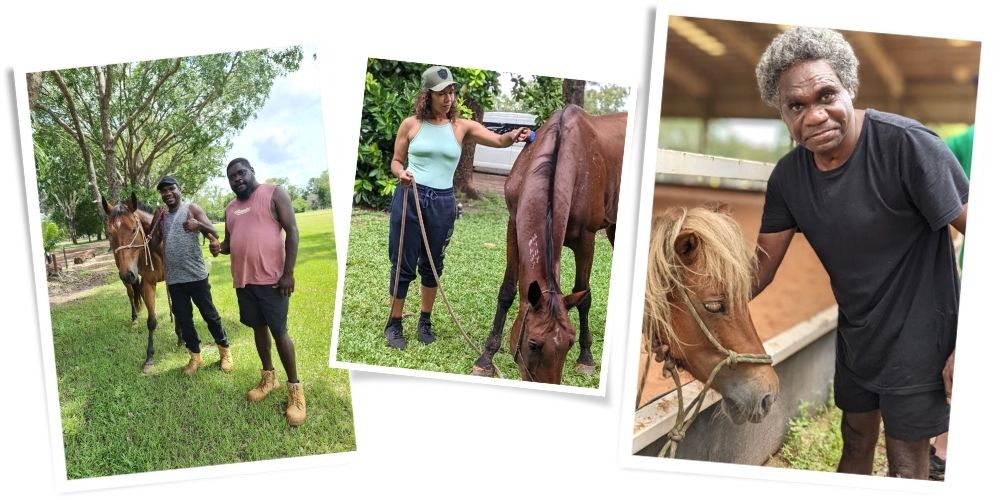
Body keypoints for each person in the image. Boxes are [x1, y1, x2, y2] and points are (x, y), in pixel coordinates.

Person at [752, 27, 967, 479]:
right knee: (854, 439)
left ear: (850, 87)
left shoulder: (908, 146)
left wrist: (970, 343)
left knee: (908, 462)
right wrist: (688, 299)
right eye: (796, 106)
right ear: (782, 113)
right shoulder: (789, 178)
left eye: (826, 95)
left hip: (924, 334)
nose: (814, 116)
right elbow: (760, 270)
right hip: (858, 335)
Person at [383, 65, 533, 349]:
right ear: (427, 96)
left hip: (442, 202)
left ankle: (424, 320)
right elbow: (396, 160)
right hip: (411, 197)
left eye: (451, 92)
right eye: (441, 93)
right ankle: (395, 322)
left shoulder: (461, 127)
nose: (448, 98)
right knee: (402, 263)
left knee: (433, 265)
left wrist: (514, 135)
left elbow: (498, 140)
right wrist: (400, 173)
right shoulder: (410, 125)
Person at [220, 158, 305, 427]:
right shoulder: (230, 209)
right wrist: (217, 248)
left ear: (252, 171)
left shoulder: (274, 193)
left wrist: (288, 273)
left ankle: (295, 391)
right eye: (232, 176)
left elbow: (292, 231)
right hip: (244, 282)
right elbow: (229, 244)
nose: (237, 179)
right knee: (258, 328)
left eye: (241, 173)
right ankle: (269, 378)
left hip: (273, 281)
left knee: (279, 332)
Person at [149, 176, 232, 375]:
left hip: (196, 276)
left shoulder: (192, 209)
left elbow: (214, 232)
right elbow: (153, 246)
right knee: (185, 321)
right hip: (175, 279)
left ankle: (225, 351)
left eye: (171, 189)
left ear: (179, 189)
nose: (167, 193)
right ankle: (195, 356)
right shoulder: (161, 216)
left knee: (210, 316)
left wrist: (199, 226)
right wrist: (154, 224)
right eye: (163, 191)